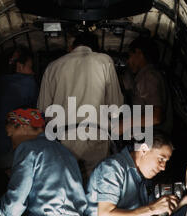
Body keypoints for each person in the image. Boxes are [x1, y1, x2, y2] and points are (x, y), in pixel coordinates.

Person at [37, 31, 124, 182]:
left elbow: (43, 109)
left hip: (63, 137)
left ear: (71, 47)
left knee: (67, 186)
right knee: (96, 188)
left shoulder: (53, 66)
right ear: (95, 48)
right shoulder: (105, 61)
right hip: (97, 134)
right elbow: (115, 107)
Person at [0, 46, 39, 170]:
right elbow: (37, 115)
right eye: (30, 67)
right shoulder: (27, 83)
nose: (33, 72)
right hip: (16, 150)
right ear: (19, 66)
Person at [120, 35, 173, 137]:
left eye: (130, 56)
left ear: (139, 53)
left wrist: (126, 123)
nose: (128, 61)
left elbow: (156, 117)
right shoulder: (143, 76)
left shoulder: (148, 76)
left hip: (153, 141)